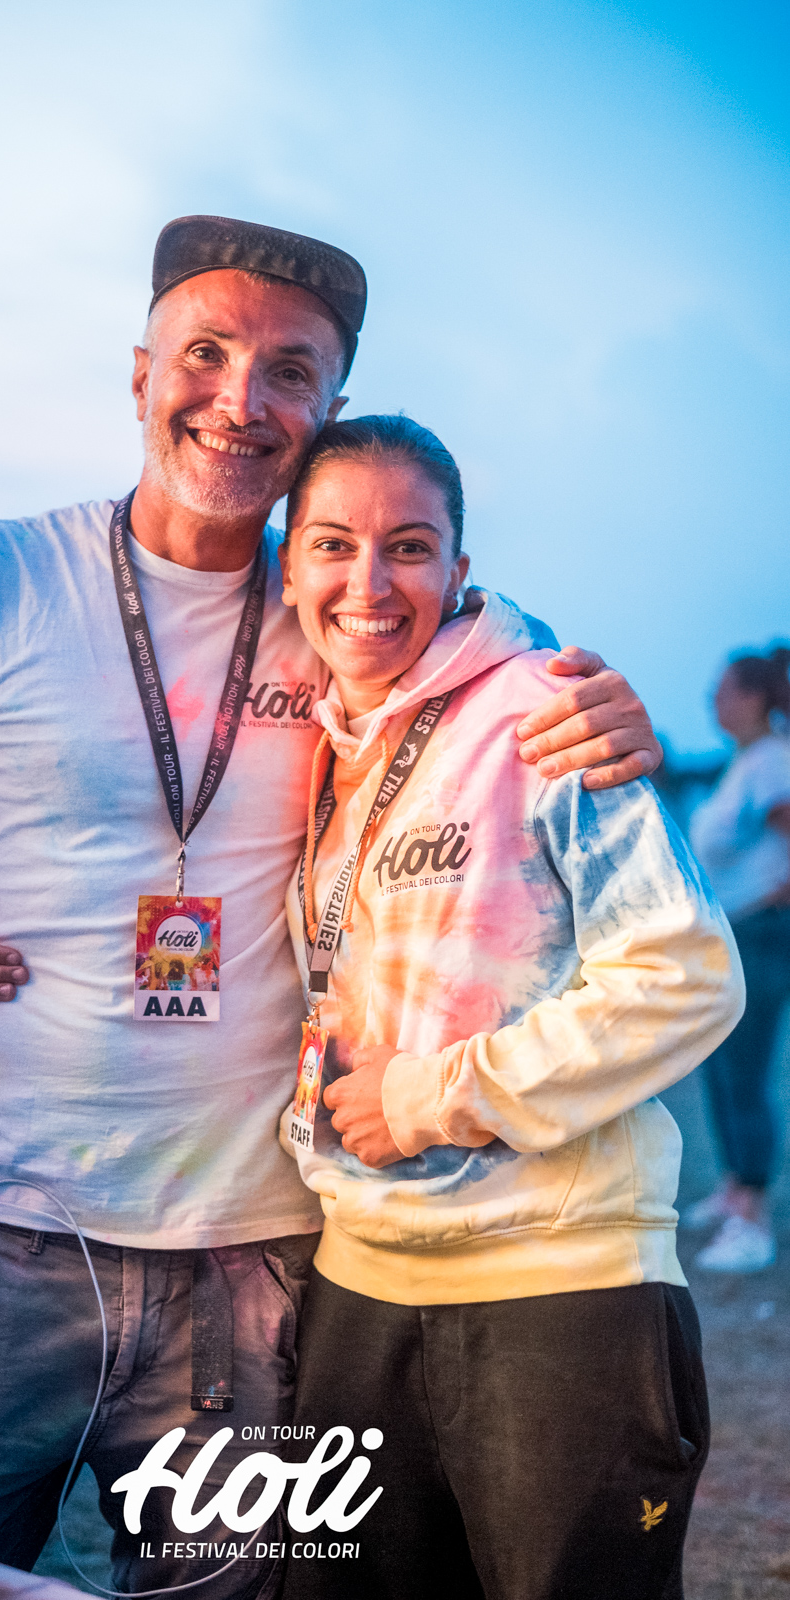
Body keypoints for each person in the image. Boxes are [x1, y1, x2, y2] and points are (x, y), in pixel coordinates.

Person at [0, 216, 662, 1597]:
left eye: (290, 371)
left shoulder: (338, 607)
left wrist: (600, 702)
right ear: (140, 372)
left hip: (253, 1271)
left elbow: (494, 663)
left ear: (325, 407)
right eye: (205, 353)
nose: (240, 399)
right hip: (7, 1241)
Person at [265, 415, 743, 1600]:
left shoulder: (543, 709)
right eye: (333, 544)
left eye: (408, 546)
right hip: (358, 1289)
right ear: (288, 568)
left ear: (458, 568)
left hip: (558, 1292)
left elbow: (686, 972)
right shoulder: (318, 743)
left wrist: (434, 1098)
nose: (368, 583)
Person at [684, 647, 790, 1273]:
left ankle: (753, 1219)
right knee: (722, 1065)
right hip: (734, 933)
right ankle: (734, 1190)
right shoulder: (748, 761)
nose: (712, 700)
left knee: (743, 1072)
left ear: (753, 698)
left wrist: (772, 897)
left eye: (722, 690)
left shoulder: (772, 761)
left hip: (760, 933)